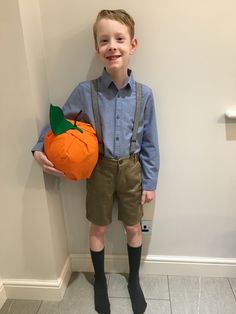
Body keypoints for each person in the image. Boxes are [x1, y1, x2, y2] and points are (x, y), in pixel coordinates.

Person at [32, 9, 160, 314]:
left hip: (132, 170)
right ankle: (100, 279)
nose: (112, 46)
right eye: (104, 40)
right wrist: (40, 147)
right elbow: (59, 121)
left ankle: (134, 280)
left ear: (133, 45)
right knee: (98, 229)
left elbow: (151, 143)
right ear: (97, 48)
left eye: (119, 39)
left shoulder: (145, 95)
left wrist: (151, 181)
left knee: (132, 228)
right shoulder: (85, 91)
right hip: (99, 169)